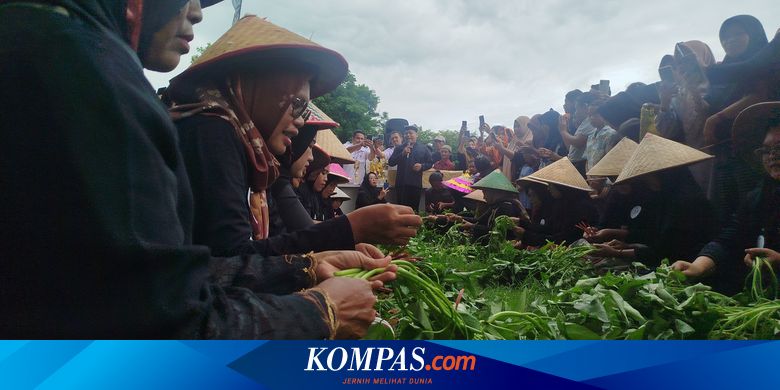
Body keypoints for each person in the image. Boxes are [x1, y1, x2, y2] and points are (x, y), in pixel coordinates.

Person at [0, 0, 387, 339]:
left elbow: (171, 276)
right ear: (257, 86)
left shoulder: (62, 48)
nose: (198, 12)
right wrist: (319, 312)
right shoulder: (201, 128)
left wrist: (305, 267)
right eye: (297, 104)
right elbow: (166, 321)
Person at [672, 102, 780, 293]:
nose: (772, 156)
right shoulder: (759, 196)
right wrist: (698, 266)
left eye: (779, 148)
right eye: (766, 150)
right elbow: (732, 237)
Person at [586, 134, 716, 269]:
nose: (647, 182)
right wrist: (625, 245)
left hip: (688, 266)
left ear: (666, 175)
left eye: (649, 177)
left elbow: (667, 251)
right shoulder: (661, 196)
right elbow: (654, 238)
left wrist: (619, 252)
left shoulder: (686, 201)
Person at [515, 158, 597, 247]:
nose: (548, 188)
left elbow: (563, 239)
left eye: (551, 185)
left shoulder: (581, 207)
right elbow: (551, 229)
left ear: (561, 186)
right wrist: (522, 223)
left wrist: (526, 236)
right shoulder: (562, 204)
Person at [389, 125, 432, 211]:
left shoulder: (423, 148)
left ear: (416, 135)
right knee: (401, 210)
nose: (408, 135)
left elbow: (430, 163)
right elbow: (391, 162)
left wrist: (422, 166)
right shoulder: (399, 148)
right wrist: (402, 154)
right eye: (406, 133)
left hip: (415, 184)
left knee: (413, 210)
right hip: (401, 183)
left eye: (410, 133)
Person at [560, 92, 599, 176]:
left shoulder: (589, 122)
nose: (576, 112)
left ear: (585, 107)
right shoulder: (584, 123)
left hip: (581, 164)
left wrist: (563, 130)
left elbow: (578, 142)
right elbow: (571, 147)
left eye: (577, 109)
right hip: (576, 164)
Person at [586, 100, 619, 171]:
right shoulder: (590, 136)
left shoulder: (611, 134)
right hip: (591, 175)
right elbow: (588, 159)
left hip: (604, 175)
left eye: (595, 114)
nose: (591, 118)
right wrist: (588, 174)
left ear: (604, 114)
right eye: (589, 115)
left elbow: (609, 159)